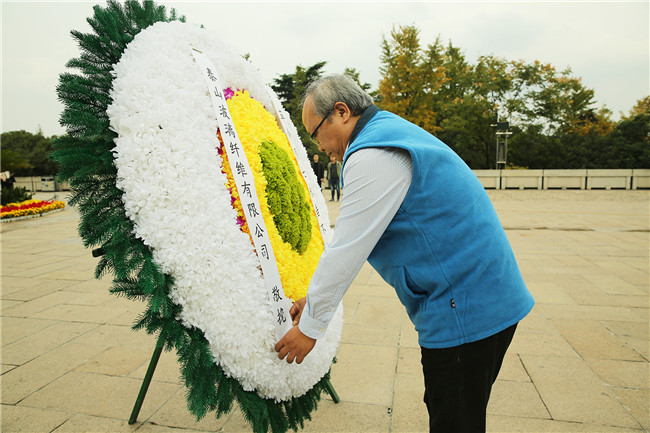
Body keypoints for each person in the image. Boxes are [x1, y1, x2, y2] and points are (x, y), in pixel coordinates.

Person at [275, 74, 534, 433]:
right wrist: (315, 299)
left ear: (341, 112)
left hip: (465, 305)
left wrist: (310, 326)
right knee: (451, 406)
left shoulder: (372, 154)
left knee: (455, 417)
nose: (318, 146)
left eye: (315, 133)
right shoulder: (388, 132)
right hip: (483, 295)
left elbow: (348, 247)